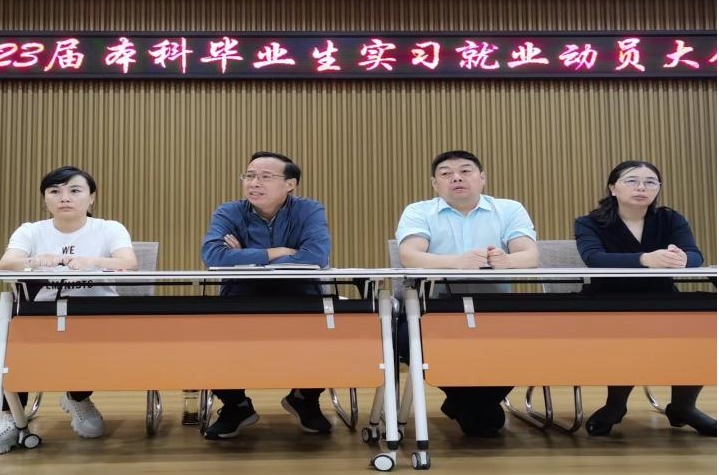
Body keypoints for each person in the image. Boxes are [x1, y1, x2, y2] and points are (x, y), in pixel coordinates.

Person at [395, 150, 538, 437]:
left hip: (495, 307)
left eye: (465, 171)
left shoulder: (508, 209)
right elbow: (409, 256)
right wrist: (456, 262)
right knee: (408, 340)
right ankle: (472, 404)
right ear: (435, 184)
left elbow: (530, 255)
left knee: (533, 341)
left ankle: (469, 405)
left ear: (482, 178)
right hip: (432, 308)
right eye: (446, 173)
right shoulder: (419, 211)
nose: (456, 178)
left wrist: (507, 260)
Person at [0, 166, 138, 453]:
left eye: (75, 190)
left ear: (91, 198)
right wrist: (35, 260)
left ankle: (77, 396)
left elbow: (128, 262)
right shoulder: (31, 230)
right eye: (55, 191)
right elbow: (7, 263)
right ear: (45, 199)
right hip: (39, 317)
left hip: (97, 315)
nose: (65, 197)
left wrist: (91, 262)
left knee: (99, 348)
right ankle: (10, 414)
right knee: (10, 338)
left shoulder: (109, 228)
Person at [575, 160, 716, 437]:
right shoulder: (589, 222)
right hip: (608, 301)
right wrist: (645, 259)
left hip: (661, 298)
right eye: (632, 181)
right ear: (613, 188)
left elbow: (695, 255)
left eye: (650, 182)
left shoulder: (670, 219)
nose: (641, 187)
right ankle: (615, 405)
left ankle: (684, 407)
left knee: (699, 331)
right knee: (627, 336)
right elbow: (594, 259)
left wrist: (683, 259)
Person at [200, 151, 332, 439]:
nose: (254, 183)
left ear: (290, 184)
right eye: (249, 176)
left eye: (265, 177)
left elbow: (316, 256)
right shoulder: (229, 212)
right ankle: (235, 406)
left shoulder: (309, 210)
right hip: (241, 296)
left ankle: (305, 398)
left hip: (300, 295)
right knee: (211, 334)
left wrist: (244, 256)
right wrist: (278, 252)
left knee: (329, 331)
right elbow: (213, 256)